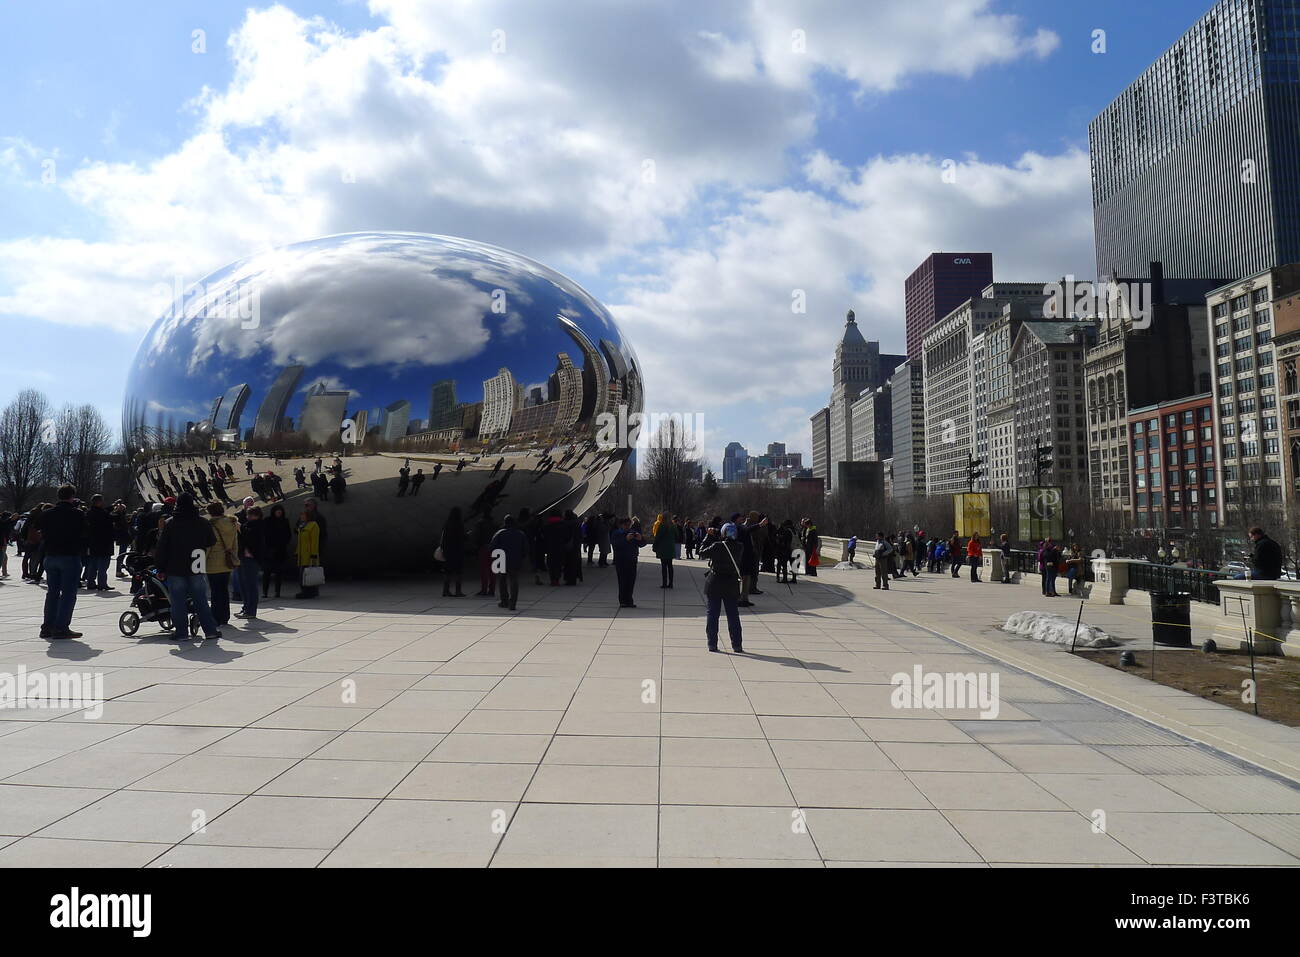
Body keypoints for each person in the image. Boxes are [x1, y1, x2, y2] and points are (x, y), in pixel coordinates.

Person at [154, 493, 221, 640]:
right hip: (197, 564)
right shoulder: (202, 522)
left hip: (175, 566)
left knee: (177, 602)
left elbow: (162, 547)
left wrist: (160, 568)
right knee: (200, 600)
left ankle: (181, 633)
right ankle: (210, 630)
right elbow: (211, 541)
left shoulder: (171, 523)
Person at [35, 486, 87, 639]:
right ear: (72, 496)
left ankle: (47, 627)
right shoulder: (78, 514)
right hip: (69, 556)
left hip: (50, 555)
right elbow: (85, 534)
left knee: (52, 593)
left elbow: (38, 528)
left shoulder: (47, 514)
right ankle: (61, 627)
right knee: (68, 594)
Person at [699, 523, 744, 653]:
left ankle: (712, 644)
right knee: (733, 615)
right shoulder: (740, 547)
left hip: (715, 583)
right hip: (731, 584)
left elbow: (701, 552)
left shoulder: (717, 546)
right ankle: (737, 645)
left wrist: (708, 536)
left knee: (713, 614)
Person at [204, 501, 240, 627]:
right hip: (227, 562)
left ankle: (216, 617)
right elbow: (235, 544)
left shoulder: (211, 526)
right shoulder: (232, 523)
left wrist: (202, 562)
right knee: (224, 590)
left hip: (212, 564)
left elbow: (208, 546)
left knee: (215, 592)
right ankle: (225, 617)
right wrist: (234, 556)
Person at [490, 513, 528, 610]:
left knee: (502, 580)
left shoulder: (500, 533)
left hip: (501, 559)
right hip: (515, 559)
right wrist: (522, 557)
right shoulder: (520, 533)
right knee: (514, 580)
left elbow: (492, 547)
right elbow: (525, 549)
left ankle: (504, 601)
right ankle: (513, 603)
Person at [235, 506, 266, 619]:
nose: (248, 517)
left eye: (250, 515)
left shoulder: (259, 525)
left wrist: (240, 528)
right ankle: (245, 607)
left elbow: (250, 538)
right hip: (242, 557)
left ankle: (251, 611)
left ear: (256, 515)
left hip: (252, 559)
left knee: (250, 585)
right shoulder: (248, 525)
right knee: (243, 584)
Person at [610, 516, 646, 607]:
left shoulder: (633, 532)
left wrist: (640, 538)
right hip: (621, 561)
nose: (627, 527)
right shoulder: (616, 533)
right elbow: (616, 545)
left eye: (629, 525)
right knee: (622, 581)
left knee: (631, 581)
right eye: (626, 525)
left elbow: (642, 544)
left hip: (632, 560)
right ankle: (622, 601)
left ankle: (629, 600)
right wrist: (626, 539)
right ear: (621, 525)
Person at [83, 494, 116, 591]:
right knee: (103, 565)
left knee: (92, 564)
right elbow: (111, 519)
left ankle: (91, 582)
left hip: (93, 541)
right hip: (105, 542)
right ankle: (102, 583)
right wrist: (118, 512)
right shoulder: (103, 514)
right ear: (99, 502)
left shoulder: (89, 513)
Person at [262, 503, 292, 599]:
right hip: (269, 551)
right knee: (267, 572)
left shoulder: (284, 521)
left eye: (280, 512)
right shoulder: (268, 521)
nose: (279, 513)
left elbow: (288, 534)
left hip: (280, 550)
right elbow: (264, 535)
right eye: (277, 512)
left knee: (279, 572)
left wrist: (284, 542)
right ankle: (265, 592)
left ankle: (277, 591)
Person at [294, 506, 322, 600]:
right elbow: (300, 540)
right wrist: (297, 552)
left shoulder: (313, 525)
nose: (301, 516)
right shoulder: (302, 525)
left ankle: (310, 591)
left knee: (308, 573)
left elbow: (315, 540)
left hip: (309, 554)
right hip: (302, 554)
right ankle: (304, 591)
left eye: (303, 514)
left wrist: (313, 554)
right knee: (302, 573)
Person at [440, 507, 467, 597]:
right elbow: (463, 537)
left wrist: (443, 550)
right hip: (458, 551)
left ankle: (445, 590)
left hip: (448, 551)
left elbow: (443, 538)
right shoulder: (459, 524)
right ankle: (458, 591)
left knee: (447, 572)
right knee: (458, 572)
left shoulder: (447, 524)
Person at [653, 512, 677, 588]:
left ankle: (664, 583)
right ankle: (671, 583)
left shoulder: (662, 525)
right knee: (670, 565)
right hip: (671, 548)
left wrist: (654, 546)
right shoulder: (673, 526)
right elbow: (677, 535)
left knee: (664, 566)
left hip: (662, 548)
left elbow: (658, 537)